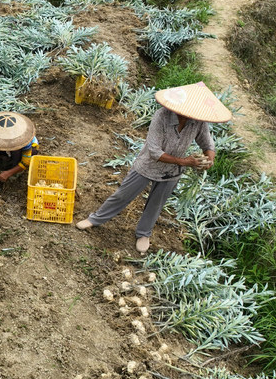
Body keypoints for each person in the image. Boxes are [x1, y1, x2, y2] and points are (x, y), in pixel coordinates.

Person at [76, 82, 230, 253]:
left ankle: (143, 233)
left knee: (156, 203)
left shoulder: (198, 122)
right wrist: (184, 162)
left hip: (171, 173)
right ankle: (95, 219)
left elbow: (207, 143)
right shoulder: (162, 116)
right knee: (123, 194)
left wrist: (209, 158)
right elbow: (155, 151)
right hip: (148, 166)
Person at [0, 112, 39, 184]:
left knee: (17, 151)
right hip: (7, 150)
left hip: (22, 150)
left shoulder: (23, 139)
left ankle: (15, 167)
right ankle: (1, 159)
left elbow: (26, 161)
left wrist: (9, 173)